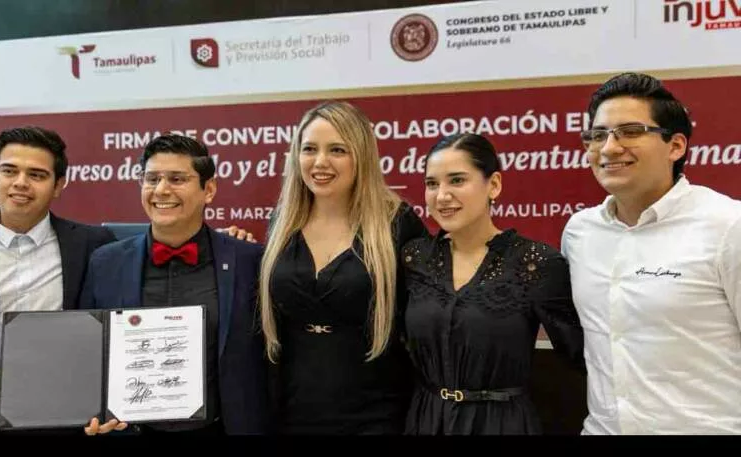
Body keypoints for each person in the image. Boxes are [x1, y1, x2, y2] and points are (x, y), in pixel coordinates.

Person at [561, 72, 741, 434]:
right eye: (598, 135)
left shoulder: (728, 226)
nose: (609, 148)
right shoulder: (580, 232)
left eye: (630, 131)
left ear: (676, 146)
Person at [79, 134, 270, 435]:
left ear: (209, 189)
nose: (162, 190)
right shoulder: (105, 263)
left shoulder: (250, 261)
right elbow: (88, 353)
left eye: (177, 179)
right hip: (131, 430)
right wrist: (93, 413)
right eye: (152, 179)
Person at [258, 101, 426, 434]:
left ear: (360, 156)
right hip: (293, 408)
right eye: (309, 149)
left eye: (337, 150)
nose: (320, 162)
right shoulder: (282, 222)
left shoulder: (397, 223)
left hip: (377, 410)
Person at [401, 133, 584, 435]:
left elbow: (582, 354)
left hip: (501, 423)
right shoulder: (413, 257)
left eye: (457, 180)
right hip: (426, 420)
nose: (442, 195)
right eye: (432, 184)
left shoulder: (535, 262)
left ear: (494, 185)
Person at [0, 126, 116, 434]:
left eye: (37, 175)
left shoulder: (93, 245)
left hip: (64, 417)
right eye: (9, 171)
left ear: (59, 185)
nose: (20, 183)